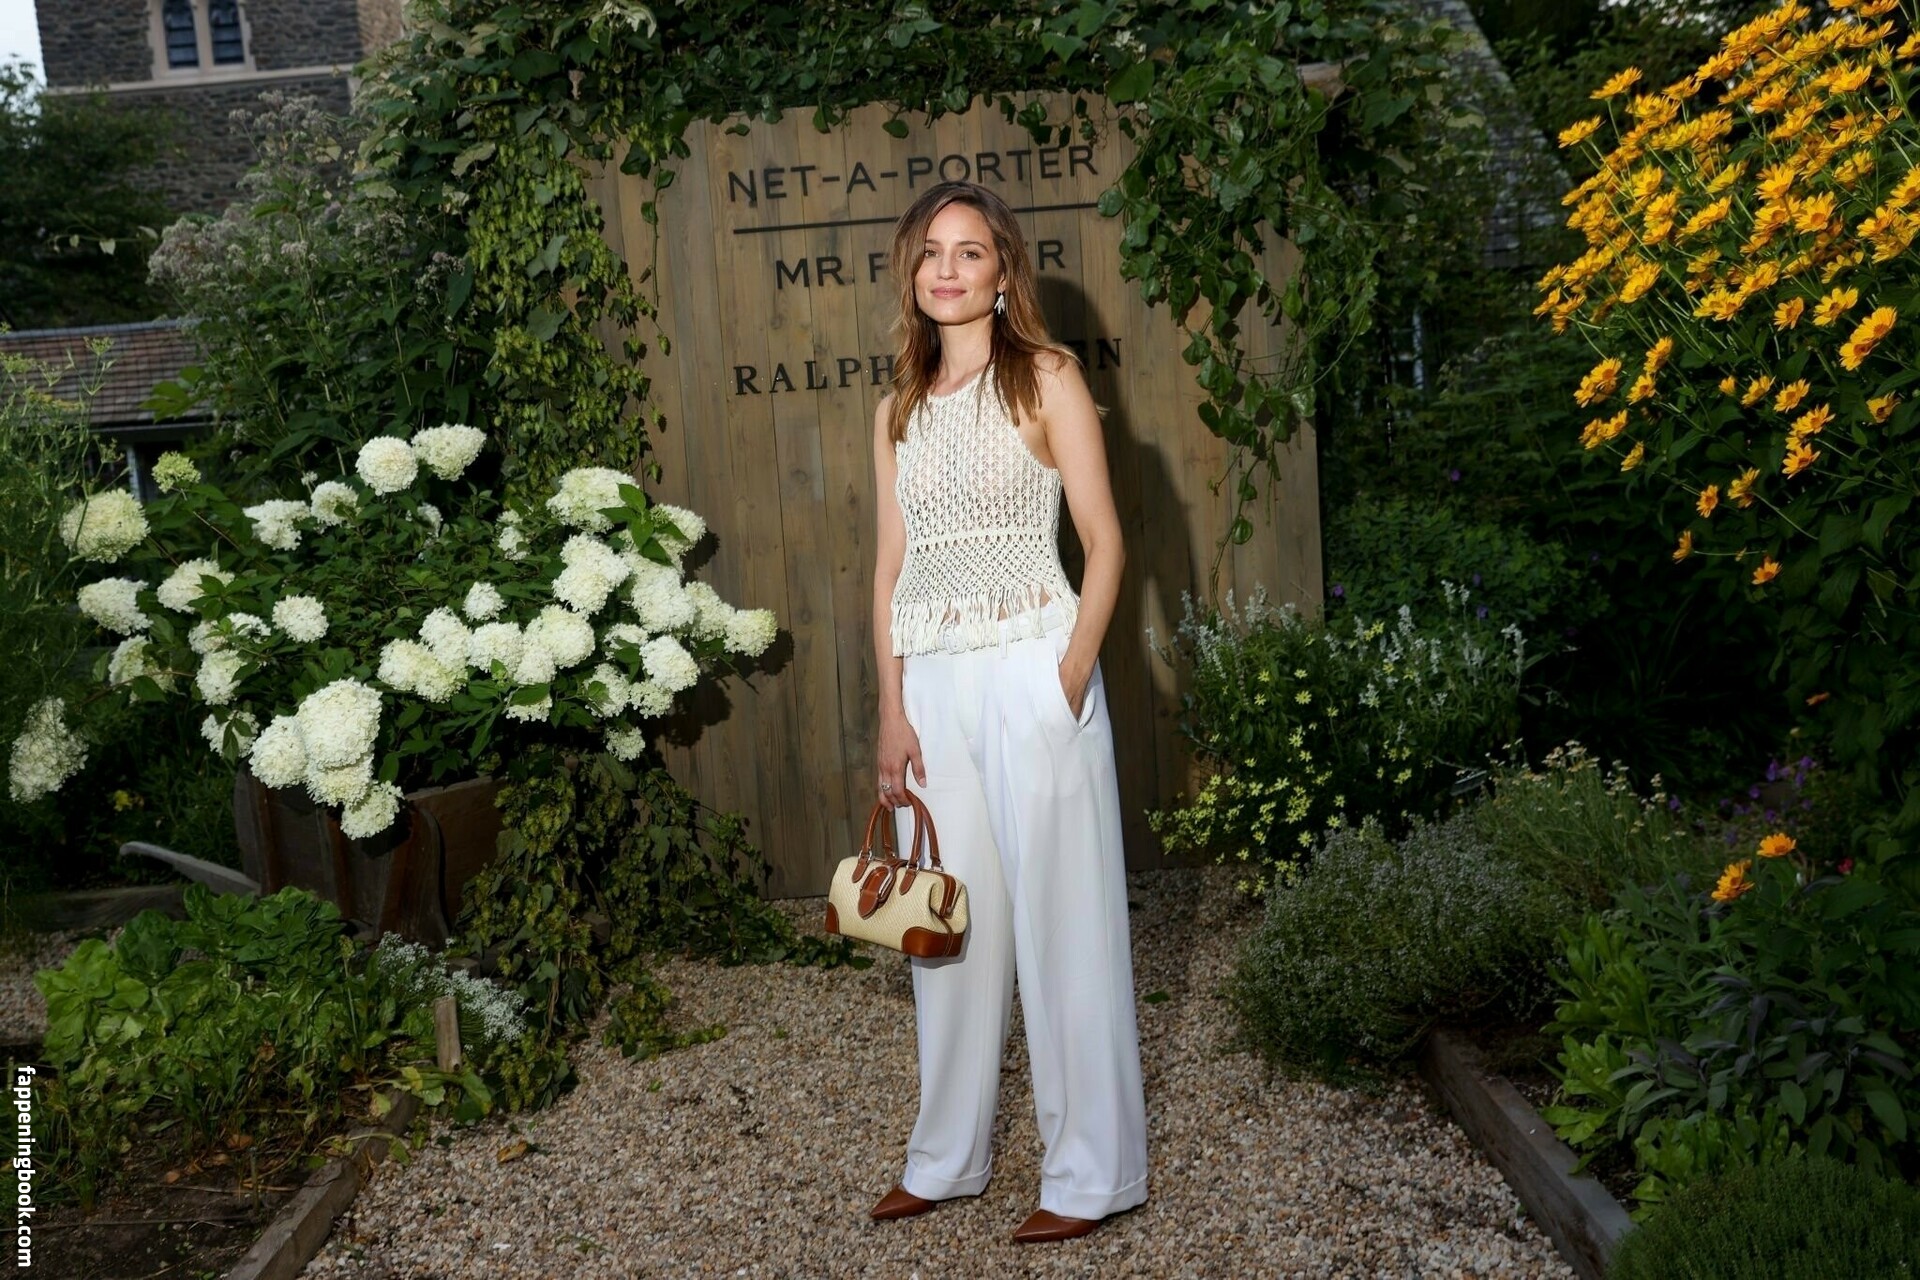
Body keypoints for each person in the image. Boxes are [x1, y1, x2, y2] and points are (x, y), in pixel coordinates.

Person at [866, 180, 1149, 1244]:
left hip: (1033, 667)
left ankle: (1090, 1175)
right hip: (931, 686)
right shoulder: (896, 408)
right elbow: (889, 570)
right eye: (930, 251)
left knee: (1065, 925)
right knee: (943, 927)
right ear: (913, 272)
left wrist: (1067, 677)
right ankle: (946, 1158)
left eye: (969, 251)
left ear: (1001, 273)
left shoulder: (1047, 377)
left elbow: (1105, 541)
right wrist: (892, 709)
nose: (946, 268)